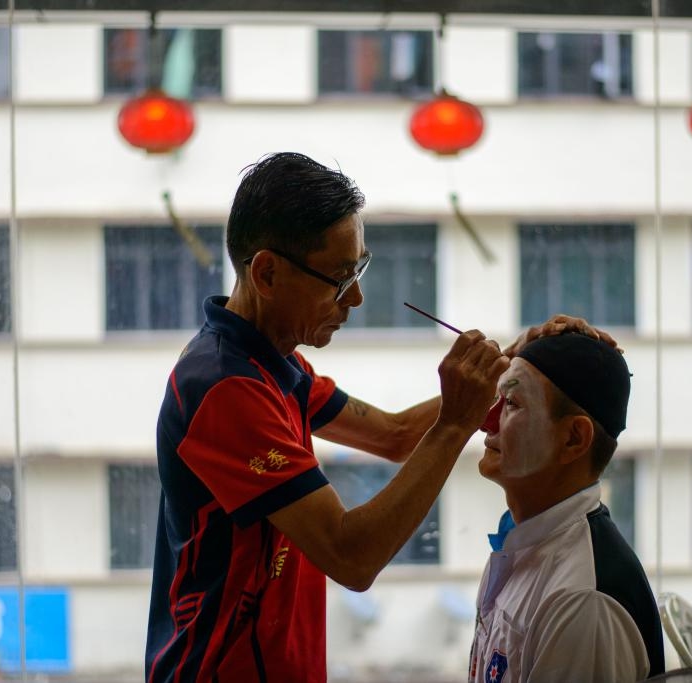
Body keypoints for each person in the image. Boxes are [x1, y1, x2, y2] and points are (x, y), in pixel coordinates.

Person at [145, 151, 510, 683]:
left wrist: (510, 366)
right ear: (267, 272)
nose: (356, 298)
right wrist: (456, 423)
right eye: (340, 278)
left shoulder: (273, 363)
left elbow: (395, 435)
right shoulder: (225, 387)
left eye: (359, 269)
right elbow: (351, 556)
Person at [468, 329, 665, 683]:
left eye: (511, 404)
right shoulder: (522, 544)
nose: (486, 420)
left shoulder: (582, 602)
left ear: (574, 438)